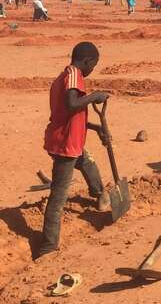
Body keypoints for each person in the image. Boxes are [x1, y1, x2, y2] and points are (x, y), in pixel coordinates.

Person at [37, 42, 111, 259]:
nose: (92, 70)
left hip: (70, 140)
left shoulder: (66, 77)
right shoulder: (73, 74)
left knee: (87, 162)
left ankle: (99, 194)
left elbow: (72, 114)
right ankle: (48, 246)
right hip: (65, 146)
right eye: (94, 65)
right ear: (87, 61)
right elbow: (71, 104)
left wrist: (97, 128)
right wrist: (95, 95)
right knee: (58, 196)